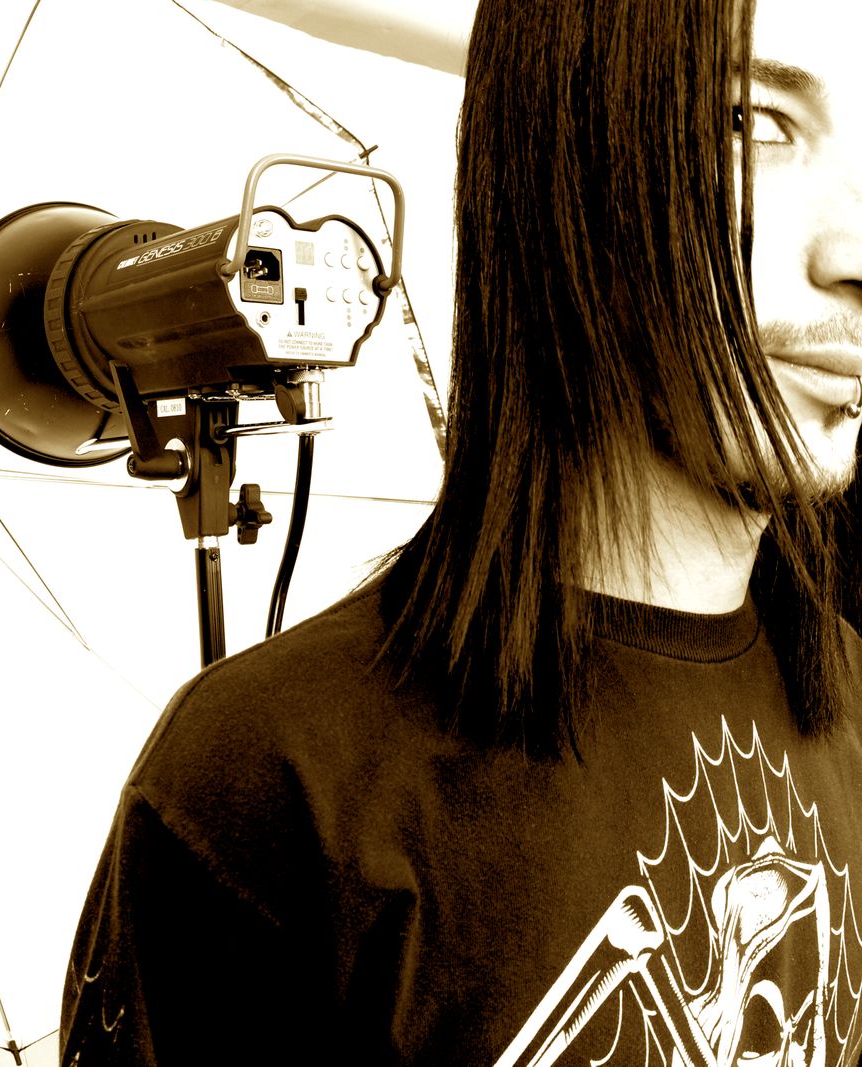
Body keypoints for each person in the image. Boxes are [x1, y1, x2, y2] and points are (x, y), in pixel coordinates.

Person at [60, 0, 862, 1062]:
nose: (857, 253)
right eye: (748, 123)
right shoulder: (269, 783)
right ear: (564, 160)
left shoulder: (853, 705)